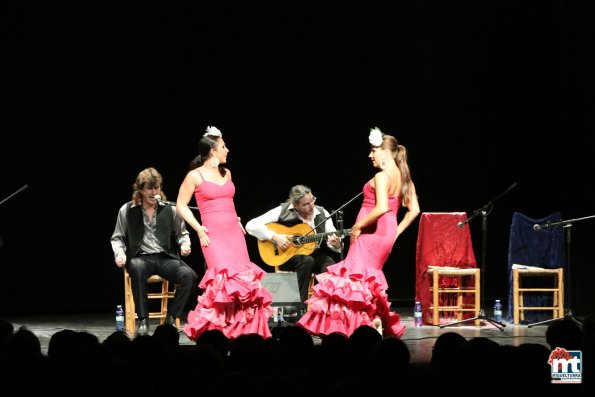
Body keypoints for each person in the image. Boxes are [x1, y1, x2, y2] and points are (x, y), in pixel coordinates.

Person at [297, 127, 420, 338]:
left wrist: (358, 226)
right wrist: (395, 233)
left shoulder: (382, 176)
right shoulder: (402, 175)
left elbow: (381, 207)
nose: (370, 155)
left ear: (386, 152)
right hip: (384, 234)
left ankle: (354, 329)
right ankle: (372, 322)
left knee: (353, 279)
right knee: (365, 281)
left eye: (374, 150)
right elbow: (414, 210)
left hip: (371, 234)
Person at [176, 126, 274, 341]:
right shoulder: (195, 175)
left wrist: (236, 218)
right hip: (213, 236)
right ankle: (218, 333)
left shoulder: (226, 173)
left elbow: (228, 200)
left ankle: (243, 332)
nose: (227, 150)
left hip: (233, 234)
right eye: (223, 146)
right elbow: (181, 205)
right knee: (223, 280)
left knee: (243, 281)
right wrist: (198, 228)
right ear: (212, 150)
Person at [110, 167, 198, 336]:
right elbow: (117, 238)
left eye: (156, 187)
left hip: (165, 258)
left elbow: (182, 234)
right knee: (136, 267)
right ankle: (143, 320)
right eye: (149, 188)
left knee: (189, 275)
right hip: (141, 258)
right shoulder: (127, 210)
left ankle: (170, 319)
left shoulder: (170, 209)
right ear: (141, 190)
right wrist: (119, 254)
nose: (153, 191)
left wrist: (184, 245)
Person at [245, 185, 344, 310]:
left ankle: (323, 308)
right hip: (288, 256)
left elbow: (333, 237)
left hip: (315, 253)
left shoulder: (322, 212)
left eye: (312, 200)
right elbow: (251, 225)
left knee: (330, 266)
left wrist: (336, 244)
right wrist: (274, 237)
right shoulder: (282, 210)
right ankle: (300, 309)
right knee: (306, 261)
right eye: (305, 204)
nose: (311, 206)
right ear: (295, 205)